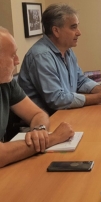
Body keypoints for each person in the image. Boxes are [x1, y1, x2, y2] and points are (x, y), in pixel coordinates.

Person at [18, 3, 101, 115]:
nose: (79, 33)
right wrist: (100, 97)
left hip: (66, 113)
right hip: (45, 121)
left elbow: (80, 80)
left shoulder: (67, 51)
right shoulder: (41, 56)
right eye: (73, 27)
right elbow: (57, 100)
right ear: (56, 31)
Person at [0, 27, 74, 168]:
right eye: (12, 55)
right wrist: (52, 138)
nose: (17, 61)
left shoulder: (6, 83)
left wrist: (39, 130)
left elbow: (37, 113)